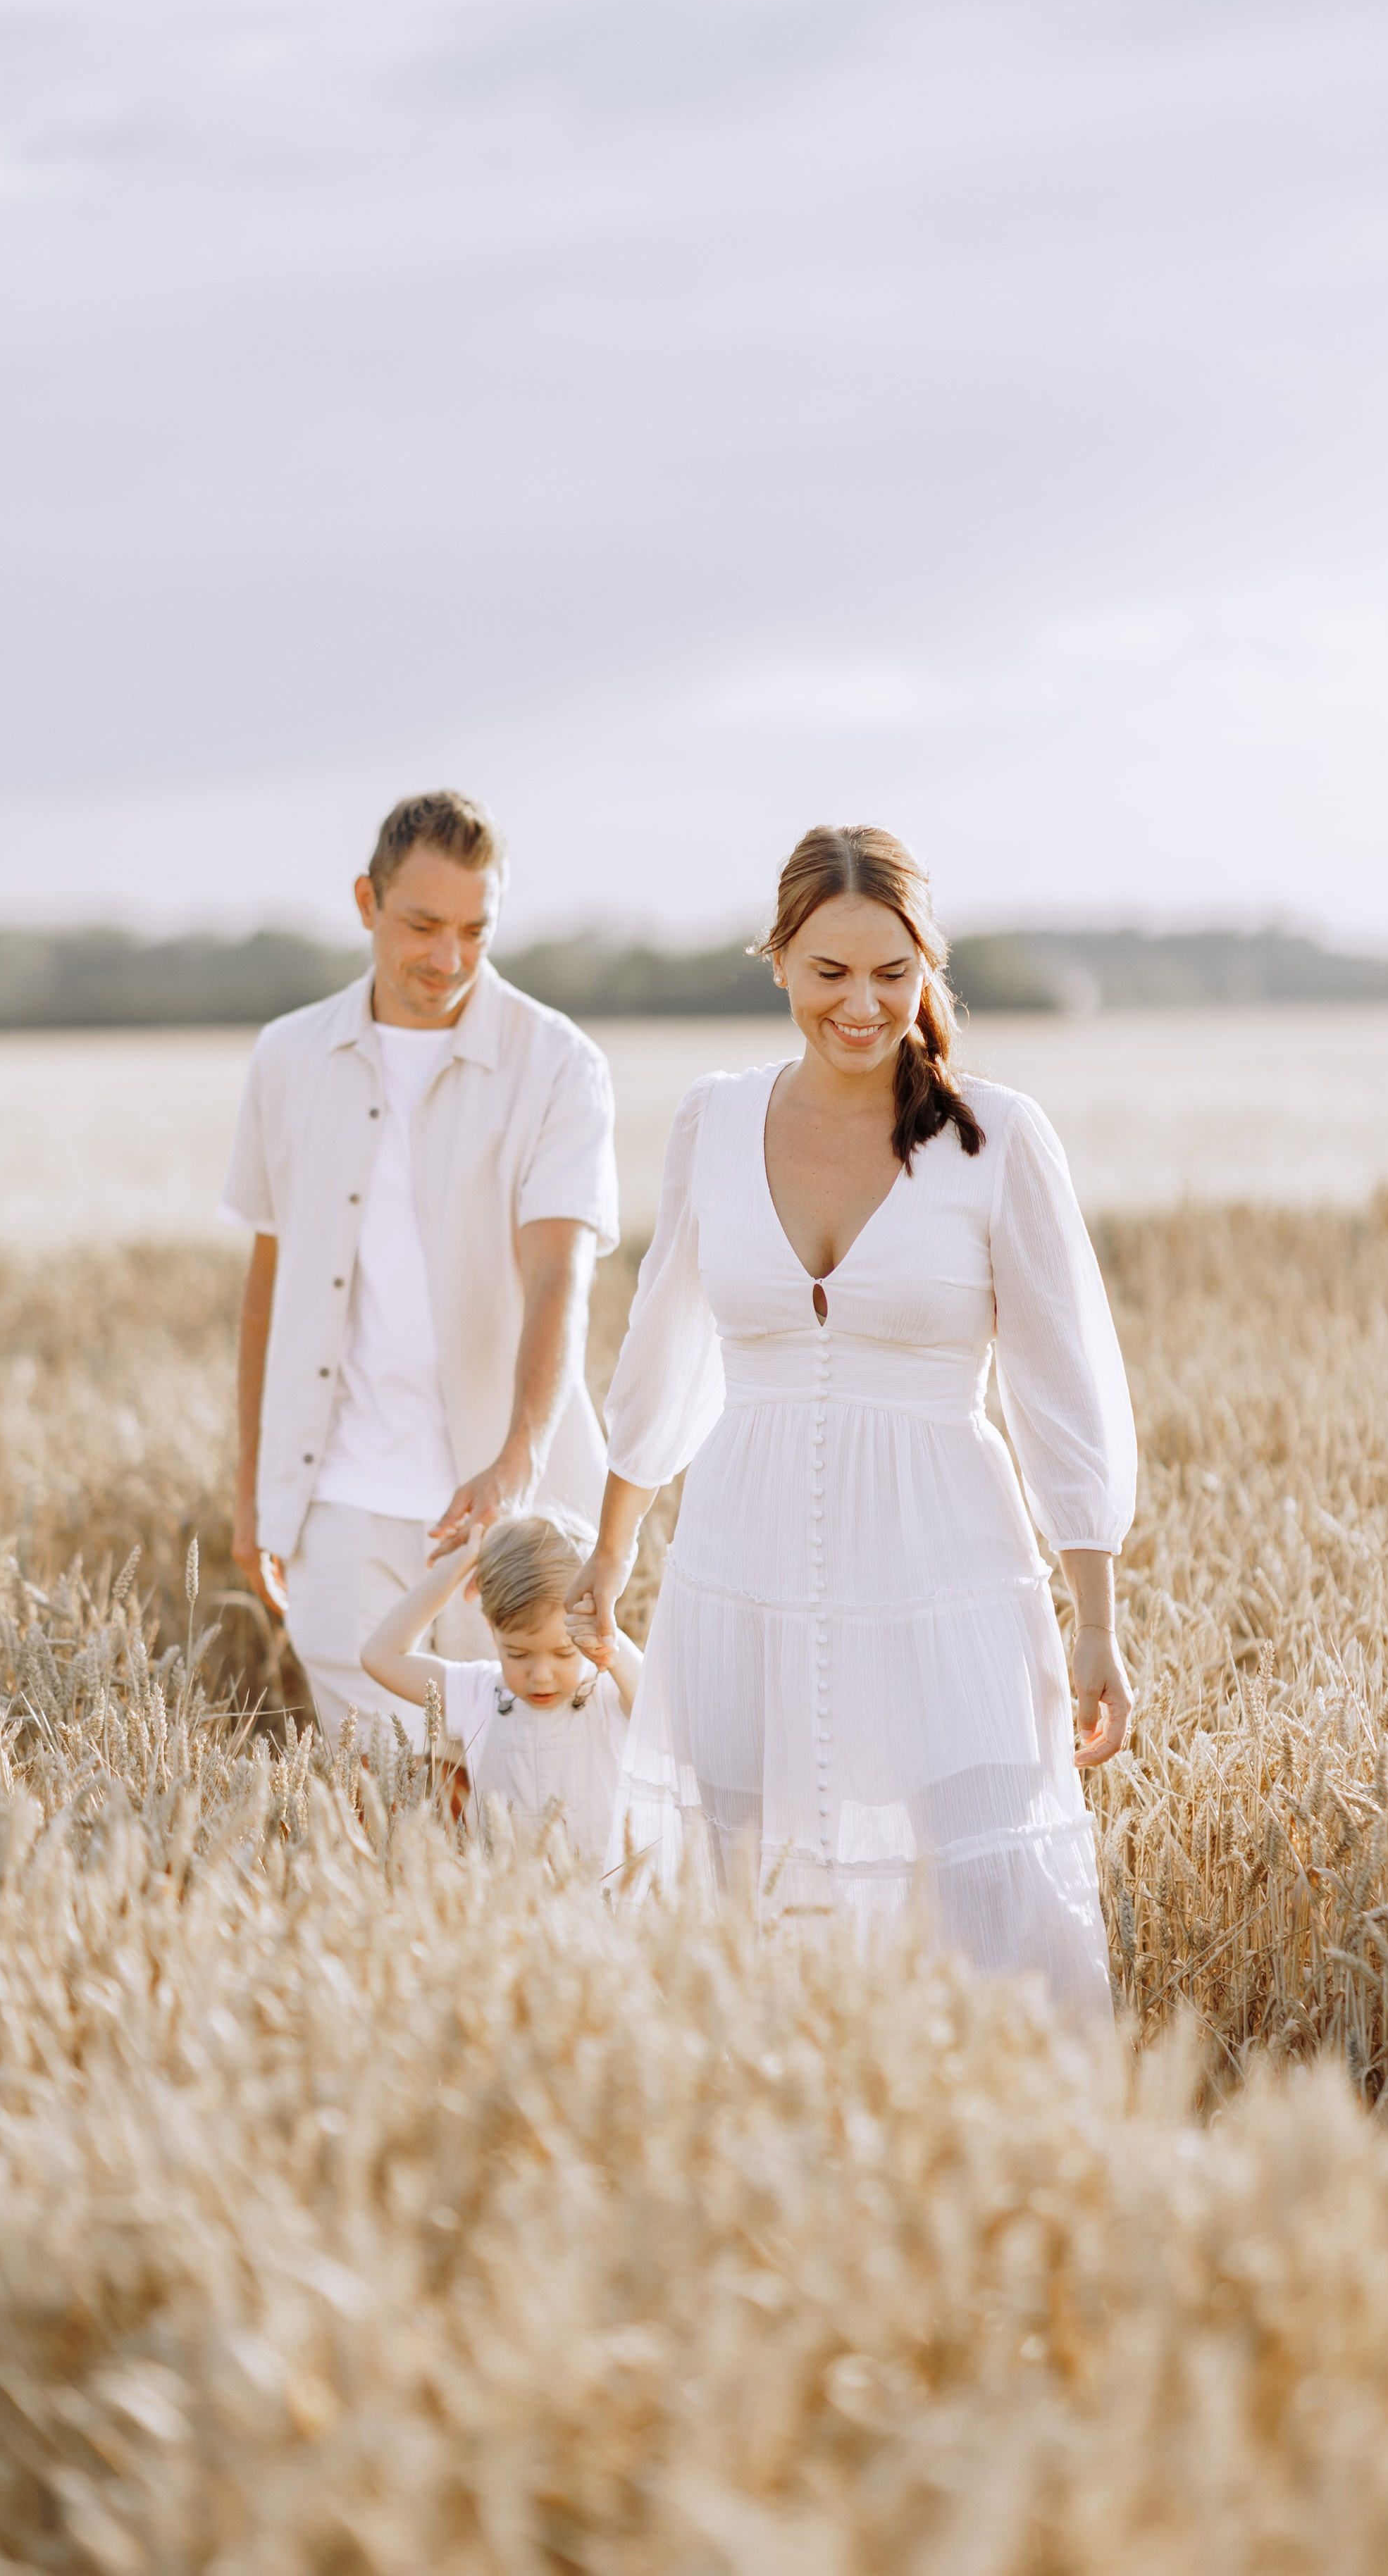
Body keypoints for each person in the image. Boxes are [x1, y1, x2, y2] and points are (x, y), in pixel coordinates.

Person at [569, 823, 1137, 2022]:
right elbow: (663, 1341)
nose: (863, 1004)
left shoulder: (997, 1138)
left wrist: (1096, 1618)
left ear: (929, 966)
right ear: (777, 960)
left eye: (893, 971)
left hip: (949, 1566)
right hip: (742, 1555)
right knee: (737, 1880)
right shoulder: (713, 1122)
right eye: (830, 972)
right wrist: (615, 1544)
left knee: (982, 1887)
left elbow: (1062, 1389)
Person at [223, 790, 619, 1747]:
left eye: (476, 932)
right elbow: (268, 1284)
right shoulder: (287, 1058)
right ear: (367, 902)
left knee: (529, 1785)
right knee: (383, 1791)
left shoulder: (559, 1063)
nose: (448, 959)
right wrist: (251, 1495)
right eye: (423, 925)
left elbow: (559, 1276)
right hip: (341, 1494)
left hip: (511, 1506)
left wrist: (516, 1459)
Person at [359, 1515, 641, 1866]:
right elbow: (380, 1657)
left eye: (564, 1652)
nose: (540, 1676)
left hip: (605, 1903)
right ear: (491, 1631)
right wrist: (453, 1571)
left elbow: (660, 1706)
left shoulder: (609, 1694)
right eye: (517, 1654)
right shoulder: (480, 1694)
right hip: (509, 1908)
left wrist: (608, 1636)